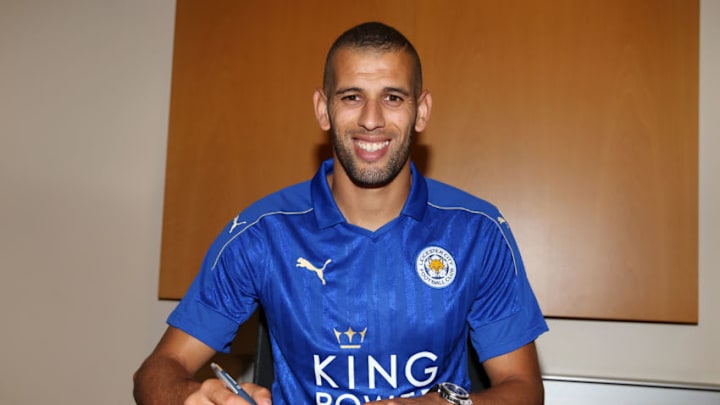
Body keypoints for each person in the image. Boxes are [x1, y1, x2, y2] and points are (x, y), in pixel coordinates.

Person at [134, 21, 548, 405]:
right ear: (322, 108)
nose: (371, 120)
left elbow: (524, 390)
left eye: (393, 97)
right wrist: (191, 396)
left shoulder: (477, 231)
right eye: (352, 97)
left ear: (420, 112)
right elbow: (157, 371)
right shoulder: (262, 234)